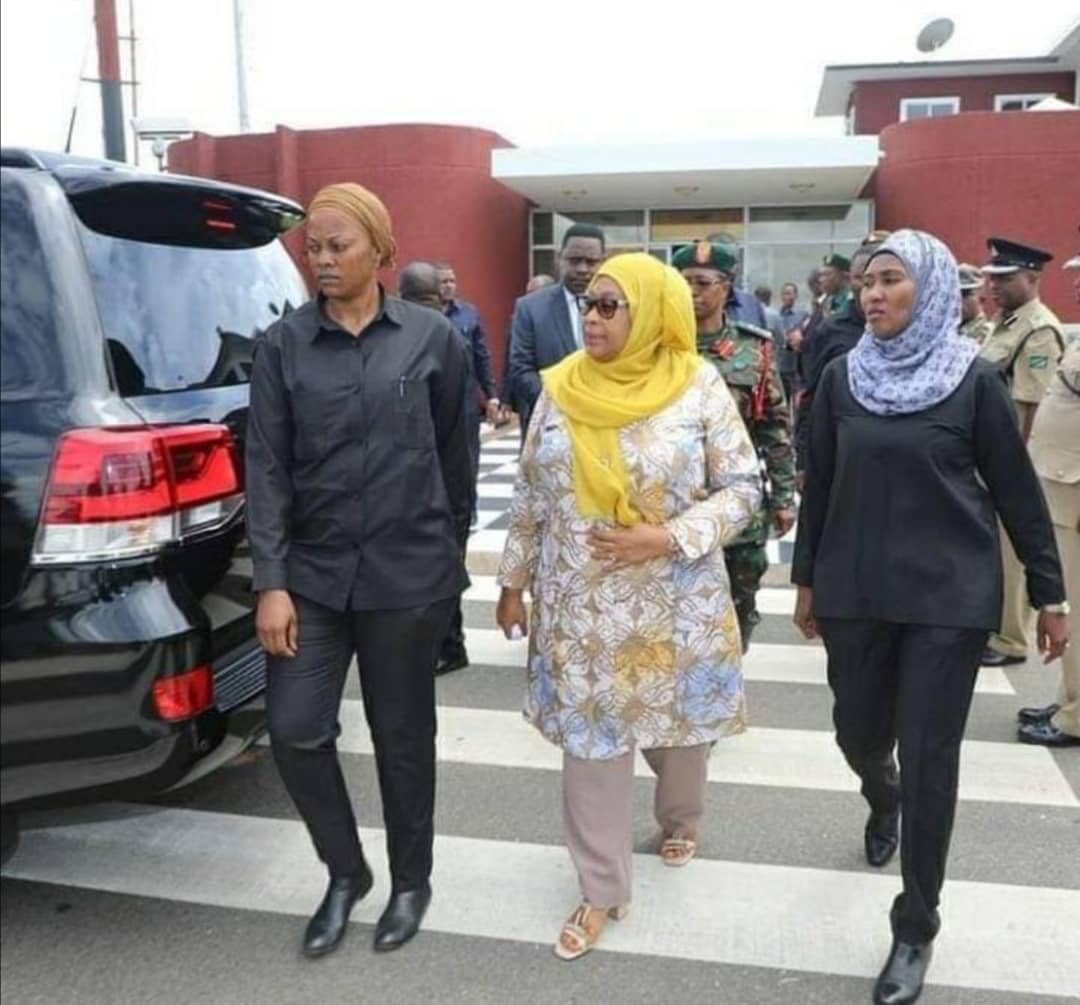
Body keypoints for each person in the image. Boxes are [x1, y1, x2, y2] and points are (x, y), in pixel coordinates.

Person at [792, 229, 1068, 1005]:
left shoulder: (971, 381)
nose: (872, 293)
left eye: (890, 279)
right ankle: (881, 794)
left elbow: (1016, 491)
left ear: (933, 288)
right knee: (858, 733)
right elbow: (820, 483)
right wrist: (805, 580)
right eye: (866, 282)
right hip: (856, 591)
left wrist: (1051, 594)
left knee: (931, 758)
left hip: (948, 598)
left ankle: (916, 923)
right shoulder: (843, 378)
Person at [495, 252, 761, 961]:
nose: (593, 317)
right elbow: (530, 490)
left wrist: (666, 537)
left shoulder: (697, 385)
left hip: (673, 601)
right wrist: (513, 582)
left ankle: (681, 816)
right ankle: (602, 887)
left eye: (611, 306)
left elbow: (743, 488)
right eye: (589, 303)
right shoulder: (561, 386)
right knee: (593, 746)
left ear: (651, 313)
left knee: (678, 735)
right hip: (580, 608)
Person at [246, 183, 472, 957]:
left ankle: (411, 881)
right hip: (311, 577)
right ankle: (346, 871)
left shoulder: (432, 339)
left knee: (402, 737)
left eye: (338, 245)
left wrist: (446, 563)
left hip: (408, 578)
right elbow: (266, 468)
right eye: (313, 247)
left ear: (380, 248)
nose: (322, 259)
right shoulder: (283, 346)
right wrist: (271, 582)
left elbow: (457, 461)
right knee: (294, 730)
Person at [675, 241, 795, 651]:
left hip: (736, 499)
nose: (693, 291)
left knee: (738, 600)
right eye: (685, 282)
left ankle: (728, 668)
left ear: (726, 288)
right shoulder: (658, 348)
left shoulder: (754, 348)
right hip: (677, 499)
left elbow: (774, 428)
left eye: (703, 282)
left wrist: (783, 497)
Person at [977, 237, 1066, 668]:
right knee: (994, 549)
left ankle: (1010, 638)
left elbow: (1033, 407)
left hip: (1012, 458)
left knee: (1012, 553)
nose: (994, 286)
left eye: (1005, 278)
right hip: (990, 452)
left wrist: (1016, 472)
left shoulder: (1039, 331)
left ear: (1032, 278)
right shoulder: (1004, 323)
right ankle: (994, 627)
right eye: (992, 278)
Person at [1016, 248, 1080, 748]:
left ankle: (1076, 717)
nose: (1076, 284)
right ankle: (1069, 698)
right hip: (1062, 489)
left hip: (1074, 493)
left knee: (1076, 604)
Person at [506, 224, 606, 440]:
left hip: (606, 426)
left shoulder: (618, 306)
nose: (582, 269)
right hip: (549, 429)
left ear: (603, 262)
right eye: (574, 260)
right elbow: (521, 368)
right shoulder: (531, 308)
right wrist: (560, 405)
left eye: (591, 262)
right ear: (559, 259)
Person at [793, 242, 880, 478]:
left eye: (885, 280)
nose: (870, 289)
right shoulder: (831, 330)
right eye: (862, 279)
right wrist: (803, 460)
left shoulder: (908, 334)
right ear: (850, 280)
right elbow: (812, 396)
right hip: (842, 451)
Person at [776, 281, 808, 406]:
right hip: (779, 364)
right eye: (785, 294)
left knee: (796, 402)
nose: (787, 297)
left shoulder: (803, 315)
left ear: (796, 296)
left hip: (795, 366)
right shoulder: (776, 316)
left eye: (790, 293)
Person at [956, 263, 992, 344]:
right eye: (953, 295)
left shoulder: (989, 334)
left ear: (981, 296)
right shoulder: (945, 332)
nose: (958, 301)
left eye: (964, 294)